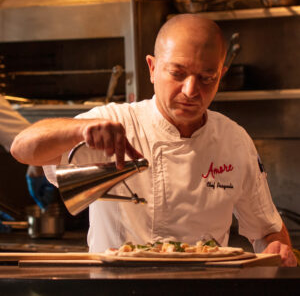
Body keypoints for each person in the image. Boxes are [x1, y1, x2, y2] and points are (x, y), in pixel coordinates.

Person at [11, 15, 297, 266]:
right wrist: (79, 129)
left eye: (207, 77)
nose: (191, 90)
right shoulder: (114, 123)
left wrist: (277, 248)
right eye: (177, 73)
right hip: (116, 288)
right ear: (152, 67)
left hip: (205, 291)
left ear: (221, 74)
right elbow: (22, 148)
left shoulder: (234, 141)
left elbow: (267, 231)